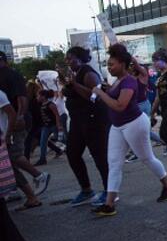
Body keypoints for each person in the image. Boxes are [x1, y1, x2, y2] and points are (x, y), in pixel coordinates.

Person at [89, 44, 167, 217]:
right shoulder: (117, 81)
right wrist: (105, 90)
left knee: (147, 158)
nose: (109, 67)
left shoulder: (129, 81)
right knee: (114, 163)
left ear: (122, 64)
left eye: (112, 64)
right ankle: (109, 204)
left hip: (134, 124)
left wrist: (101, 93)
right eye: (108, 64)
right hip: (117, 126)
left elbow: (120, 105)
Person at [0, 52, 51, 211]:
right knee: (9, 161)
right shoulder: (8, 74)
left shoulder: (9, 74)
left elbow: (21, 98)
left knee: (13, 157)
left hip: (14, 122)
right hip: (12, 121)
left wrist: (19, 117)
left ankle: (38, 176)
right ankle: (20, 191)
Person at [61, 47, 109, 206]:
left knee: (99, 156)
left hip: (93, 120)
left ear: (80, 58)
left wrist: (74, 85)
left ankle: (109, 191)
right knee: (72, 153)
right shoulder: (75, 74)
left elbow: (94, 96)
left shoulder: (88, 73)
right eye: (67, 59)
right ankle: (86, 189)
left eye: (71, 58)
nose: (68, 61)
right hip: (78, 121)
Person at [34, 90, 63, 166]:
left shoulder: (50, 104)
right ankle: (42, 159)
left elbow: (57, 115)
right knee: (43, 142)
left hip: (53, 125)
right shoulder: (41, 104)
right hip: (45, 126)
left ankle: (68, 150)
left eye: (38, 96)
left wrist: (58, 125)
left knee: (59, 139)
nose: (37, 97)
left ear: (43, 96)